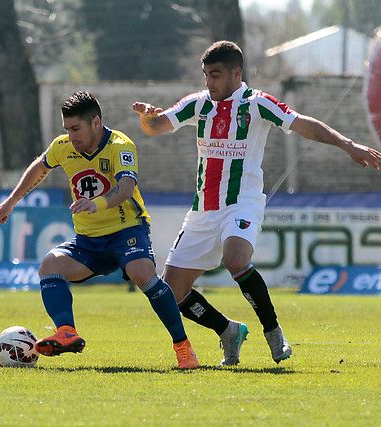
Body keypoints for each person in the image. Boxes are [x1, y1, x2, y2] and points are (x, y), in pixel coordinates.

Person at [132, 41, 381, 366]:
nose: (209, 82)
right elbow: (157, 126)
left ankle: (273, 331)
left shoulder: (256, 103)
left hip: (241, 204)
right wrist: (148, 118)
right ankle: (228, 330)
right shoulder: (198, 104)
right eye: (206, 75)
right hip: (202, 211)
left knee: (236, 259)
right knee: (171, 292)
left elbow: (303, 123)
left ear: (237, 73)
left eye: (216, 75)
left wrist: (348, 145)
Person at [0, 91, 199, 369]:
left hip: (126, 230)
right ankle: (66, 332)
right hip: (89, 240)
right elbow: (39, 168)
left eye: (76, 129)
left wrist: (97, 203)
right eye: (67, 129)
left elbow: (126, 188)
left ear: (95, 123)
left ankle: (184, 347)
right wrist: (12, 200)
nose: (71, 136)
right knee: (49, 266)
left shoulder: (119, 145)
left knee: (143, 274)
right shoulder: (63, 146)